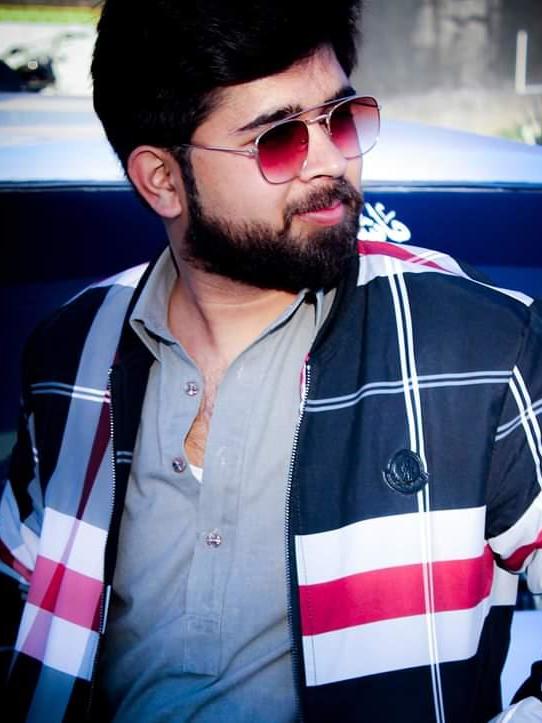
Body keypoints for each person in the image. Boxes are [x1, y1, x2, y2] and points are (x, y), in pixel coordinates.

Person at [1, 0, 542, 721]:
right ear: (162, 179)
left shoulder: (477, 342)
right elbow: (20, 597)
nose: (332, 160)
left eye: (340, 119)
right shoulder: (71, 351)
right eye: (278, 138)